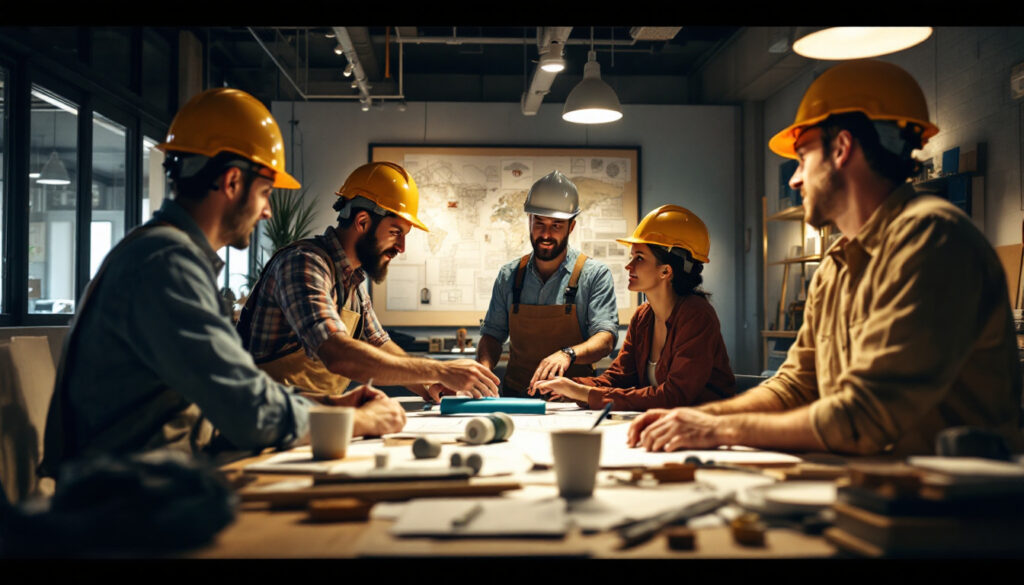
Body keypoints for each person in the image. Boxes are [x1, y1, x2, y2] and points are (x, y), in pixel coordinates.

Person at [629, 59, 1023, 456]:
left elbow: (865, 416)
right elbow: (797, 385)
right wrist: (704, 420)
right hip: (878, 490)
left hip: (950, 507)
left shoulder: (931, 240)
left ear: (841, 148)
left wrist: (719, 429)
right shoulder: (838, 263)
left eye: (801, 158)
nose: (796, 178)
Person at [41, 88, 406, 476]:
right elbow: (245, 409)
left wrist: (331, 407)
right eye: (265, 192)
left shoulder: (167, 256)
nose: (267, 212)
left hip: (151, 487)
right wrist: (360, 422)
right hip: (121, 508)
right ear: (232, 182)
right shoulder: (167, 265)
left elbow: (231, 393)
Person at [237, 161, 500, 402]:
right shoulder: (304, 264)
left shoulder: (353, 284)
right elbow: (337, 354)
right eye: (396, 232)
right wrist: (440, 369)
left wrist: (430, 382)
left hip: (312, 417)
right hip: (264, 419)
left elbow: (379, 343)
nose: (401, 247)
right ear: (362, 221)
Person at [532, 204, 735, 409]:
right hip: (665, 426)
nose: (629, 266)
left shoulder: (697, 316)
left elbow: (675, 396)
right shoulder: (643, 316)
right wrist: (567, 386)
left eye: (639, 258)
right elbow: (618, 378)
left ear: (665, 271)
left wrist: (583, 393)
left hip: (705, 430)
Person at [475, 170, 619, 397]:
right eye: (539, 223)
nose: (546, 234)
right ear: (529, 221)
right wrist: (482, 372)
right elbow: (493, 334)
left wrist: (567, 354)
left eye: (556, 225)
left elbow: (605, 338)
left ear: (571, 227)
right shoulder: (509, 275)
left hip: (571, 400)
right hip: (516, 396)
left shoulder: (594, 275)